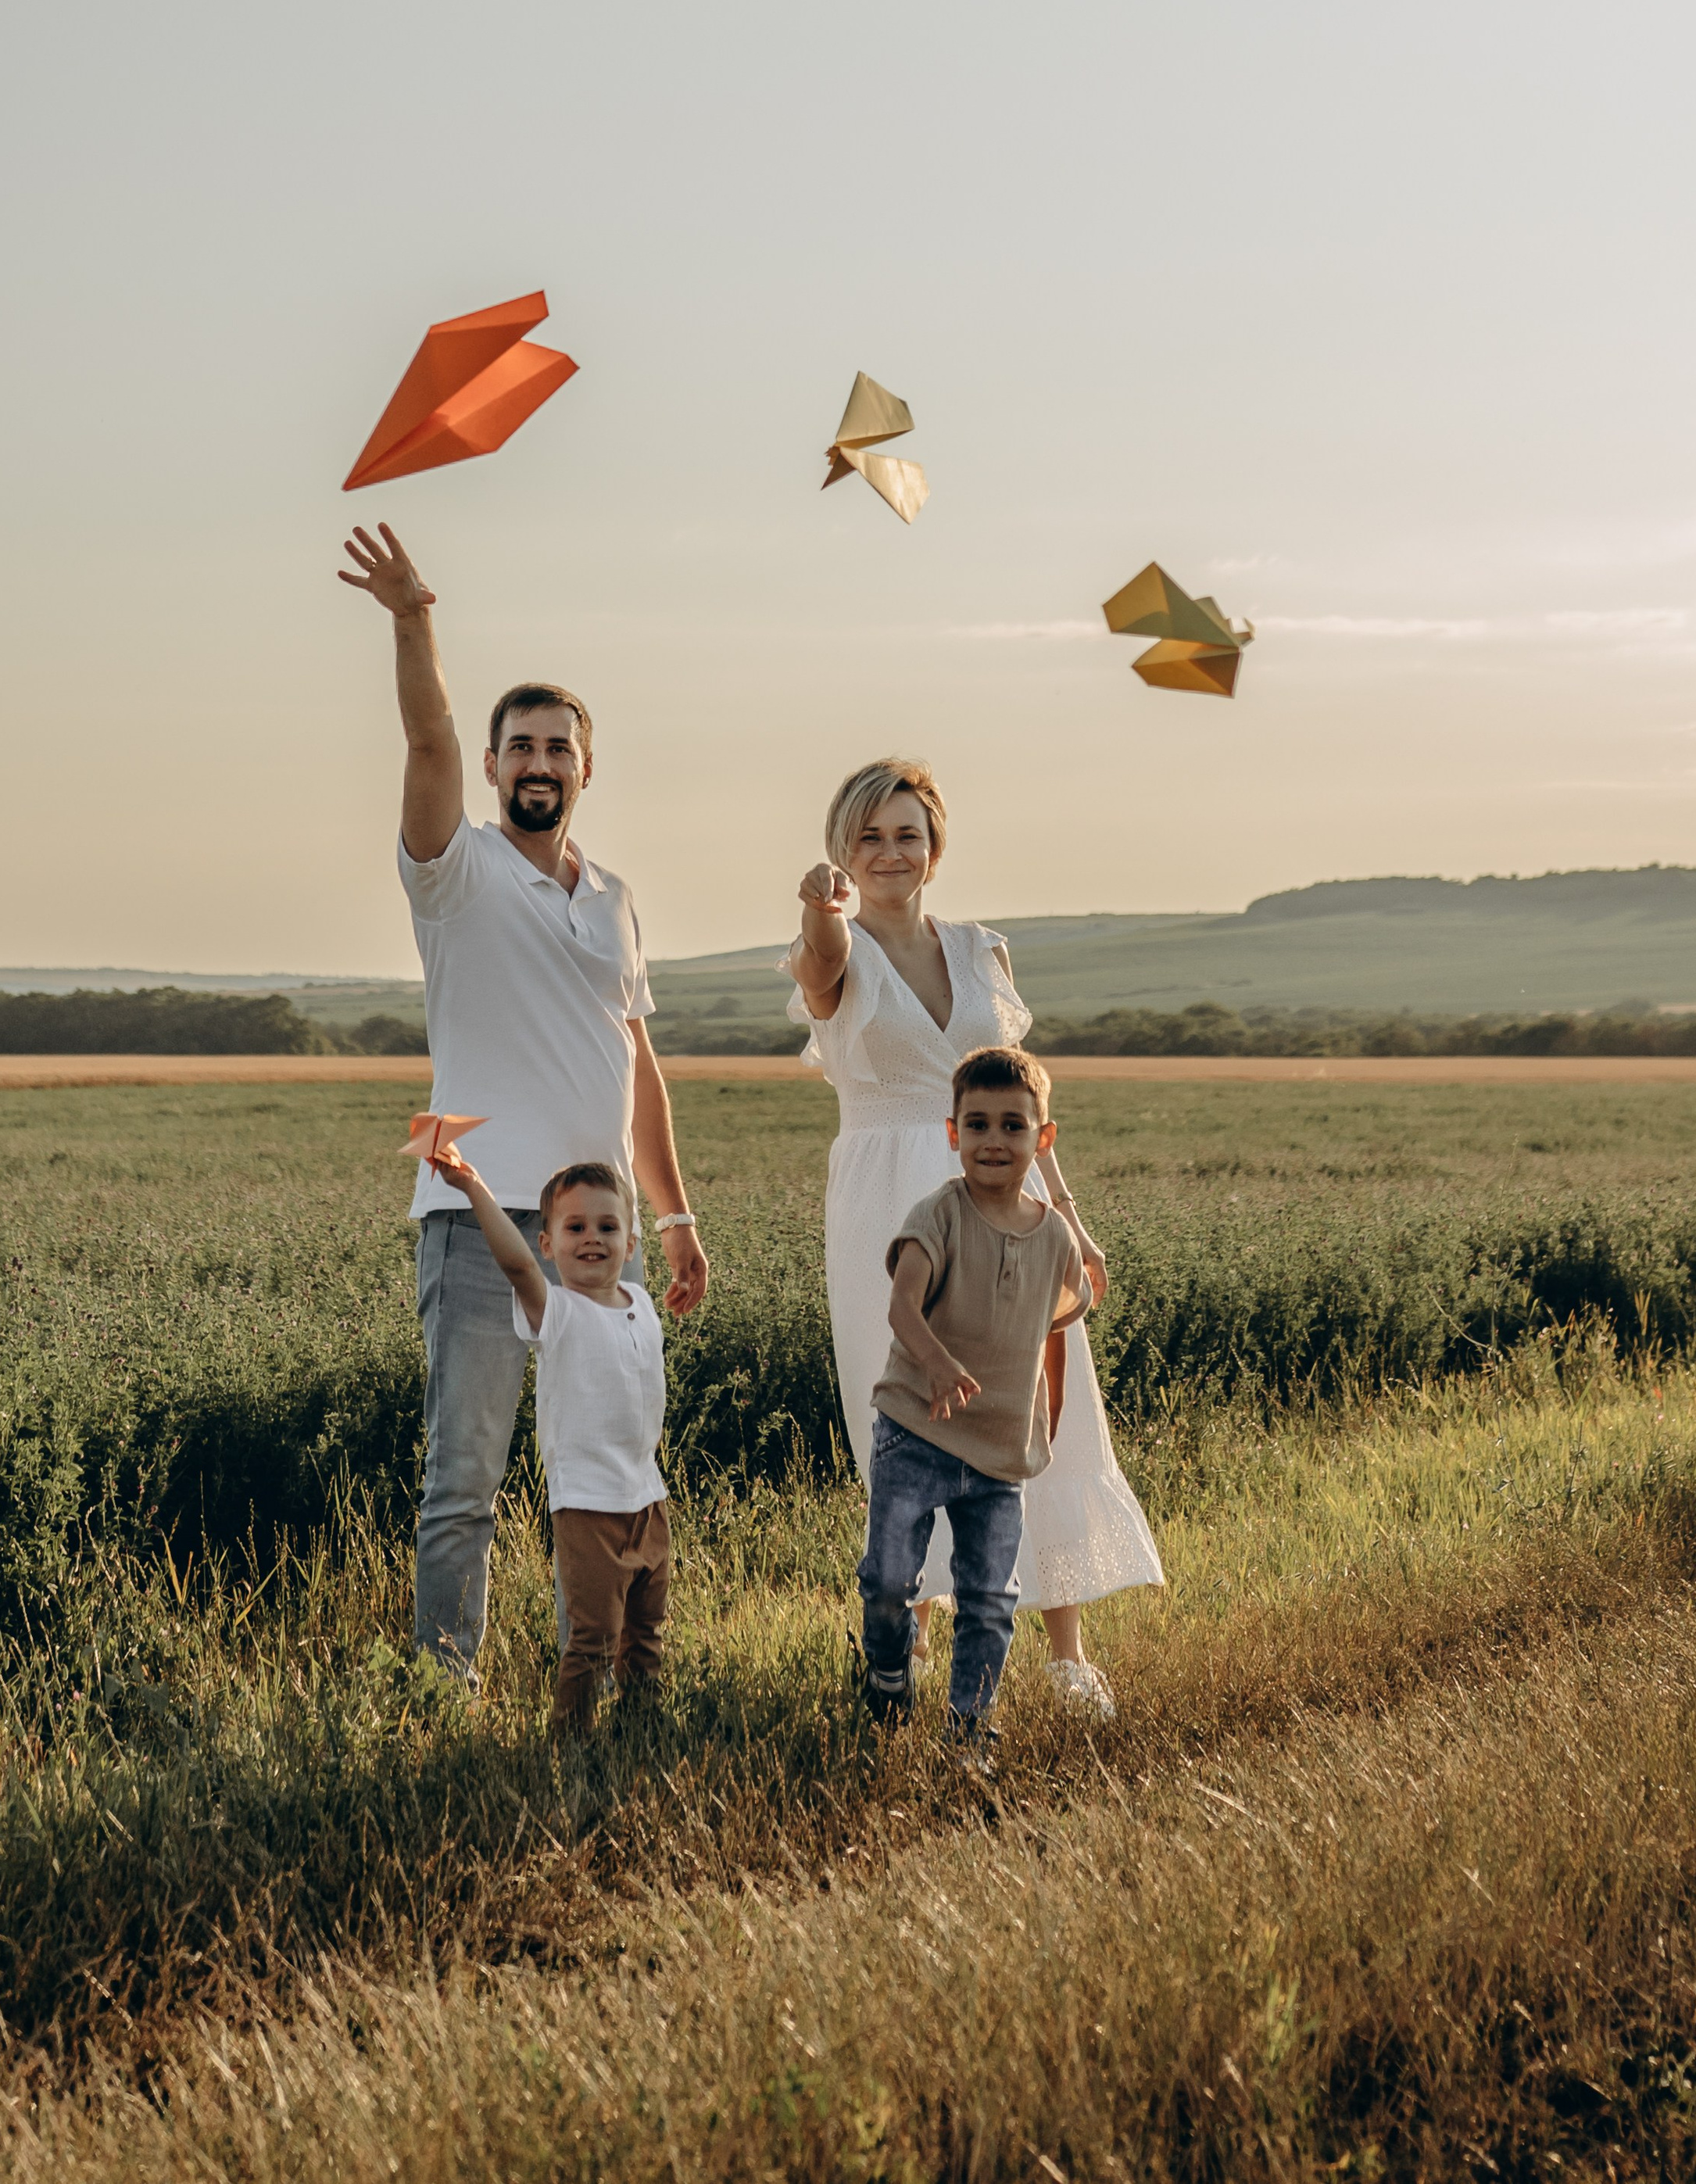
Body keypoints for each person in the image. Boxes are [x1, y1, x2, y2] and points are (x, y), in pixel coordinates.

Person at [338, 517, 709, 1685]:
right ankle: (444, 1687)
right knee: (466, 1479)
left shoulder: (615, 898)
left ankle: (596, 1677)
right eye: (520, 747)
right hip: (481, 1221)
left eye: (560, 746)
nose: (539, 762)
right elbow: (427, 734)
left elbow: (634, 1059)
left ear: (586, 768)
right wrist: (415, 620)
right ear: (496, 769)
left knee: (611, 1472)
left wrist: (677, 1213)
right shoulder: (455, 870)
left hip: (604, 1240)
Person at [789, 757, 1161, 1714]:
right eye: (868, 835)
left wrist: (1071, 1220)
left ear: (934, 845)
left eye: (906, 833)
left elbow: (1021, 1097)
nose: (888, 851)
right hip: (889, 1199)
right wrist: (818, 913)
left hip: (1012, 1195)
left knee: (1042, 1408)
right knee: (911, 1418)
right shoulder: (830, 945)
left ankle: (1067, 1653)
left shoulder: (980, 949)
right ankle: (906, 1638)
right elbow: (824, 978)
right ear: (841, 849)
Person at [861, 1047, 1093, 1738]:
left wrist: (1045, 1412)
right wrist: (934, 1365)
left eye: (1014, 1126)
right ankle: (888, 1669)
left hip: (999, 1454)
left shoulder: (1055, 1236)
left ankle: (970, 1730)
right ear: (952, 1132)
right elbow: (903, 1306)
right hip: (916, 1429)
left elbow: (1054, 1327)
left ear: (1042, 1137)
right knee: (888, 1581)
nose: (995, 1141)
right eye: (979, 1125)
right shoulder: (938, 1215)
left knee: (990, 1598)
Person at [438, 1142, 669, 1731]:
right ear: (548, 1245)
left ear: (631, 1244)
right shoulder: (557, 1313)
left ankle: (641, 1726)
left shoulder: (640, 1301)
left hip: (648, 1498)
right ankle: (571, 1742)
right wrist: (472, 1187)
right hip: (589, 1505)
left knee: (646, 1631)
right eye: (575, 1227)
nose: (592, 1238)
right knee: (593, 1638)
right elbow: (514, 1265)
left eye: (607, 1226)